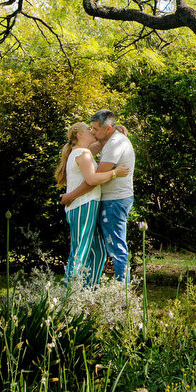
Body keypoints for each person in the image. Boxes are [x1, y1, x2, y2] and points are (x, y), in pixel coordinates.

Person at [56, 121, 128, 287]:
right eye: (88, 129)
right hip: (83, 205)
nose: (92, 131)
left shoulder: (83, 152)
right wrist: (115, 173)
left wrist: (113, 133)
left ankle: (88, 291)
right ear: (79, 134)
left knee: (99, 252)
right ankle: (71, 296)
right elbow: (92, 179)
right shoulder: (82, 153)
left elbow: (101, 144)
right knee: (80, 250)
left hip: (88, 204)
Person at [87, 109, 136, 283]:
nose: (92, 132)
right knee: (108, 247)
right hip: (111, 199)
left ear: (108, 129)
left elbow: (97, 176)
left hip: (115, 200)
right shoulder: (110, 140)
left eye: (95, 129)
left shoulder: (115, 143)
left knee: (116, 248)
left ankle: (123, 296)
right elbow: (82, 151)